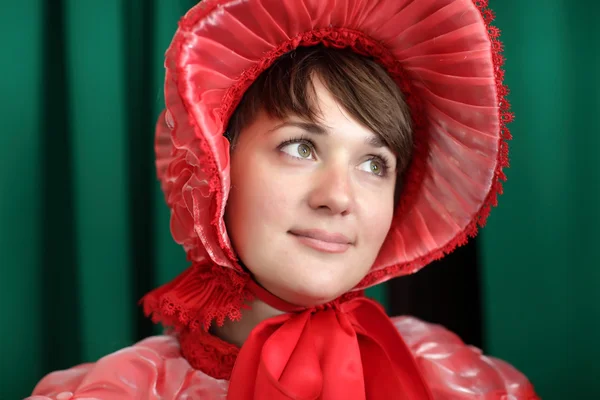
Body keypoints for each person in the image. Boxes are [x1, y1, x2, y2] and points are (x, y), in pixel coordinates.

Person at [28, 0, 539, 399]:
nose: (338, 198)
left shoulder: (466, 382)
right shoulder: (116, 393)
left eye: (373, 164)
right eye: (300, 147)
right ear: (215, 171)